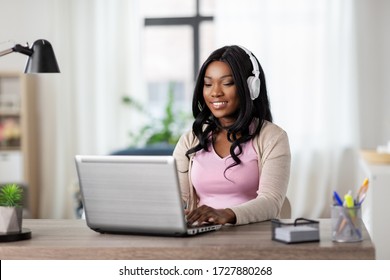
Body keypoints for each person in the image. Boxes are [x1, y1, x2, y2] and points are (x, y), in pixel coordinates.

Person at [173, 45, 291, 226]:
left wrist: (227, 214)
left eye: (227, 83)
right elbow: (177, 199)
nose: (215, 92)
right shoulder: (190, 140)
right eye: (208, 84)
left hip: (253, 237)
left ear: (251, 87)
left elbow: (271, 202)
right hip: (203, 237)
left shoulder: (273, 138)